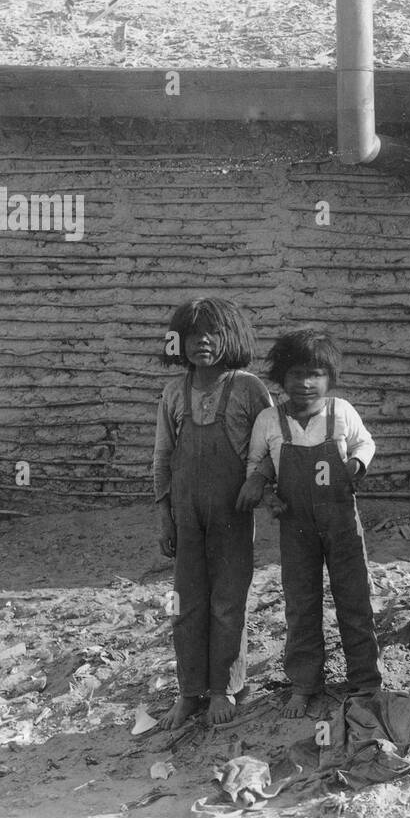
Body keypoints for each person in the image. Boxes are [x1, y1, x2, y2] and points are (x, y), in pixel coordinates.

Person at [236, 328, 381, 718]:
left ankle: (365, 682)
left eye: (315, 373)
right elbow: (256, 465)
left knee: (354, 598)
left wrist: (356, 463)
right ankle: (304, 683)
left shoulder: (341, 411)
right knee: (301, 602)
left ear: (329, 377)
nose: (305, 383)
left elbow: (365, 443)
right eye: (297, 374)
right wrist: (267, 494)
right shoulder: (270, 420)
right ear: (282, 378)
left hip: (341, 521)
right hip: (295, 523)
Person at [153, 297, 273, 729]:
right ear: (178, 341)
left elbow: (271, 446)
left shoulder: (249, 389)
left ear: (232, 338)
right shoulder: (173, 393)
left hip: (231, 512)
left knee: (227, 602)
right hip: (186, 514)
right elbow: (163, 458)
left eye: (213, 333)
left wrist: (257, 481)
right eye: (192, 334)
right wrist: (165, 514)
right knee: (186, 603)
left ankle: (224, 688)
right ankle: (189, 692)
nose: (202, 341)